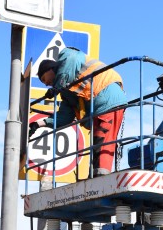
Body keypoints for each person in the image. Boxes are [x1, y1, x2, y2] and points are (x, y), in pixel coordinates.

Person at [32, 47, 126, 176]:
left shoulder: (67, 55)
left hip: (108, 98)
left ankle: (100, 178)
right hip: (98, 108)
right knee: (96, 145)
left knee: (102, 141)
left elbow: (70, 61)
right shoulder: (67, 91)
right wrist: (39, 124)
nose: (46, 84)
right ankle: (94, 176)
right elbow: (63, 118)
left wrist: (58, 86)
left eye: (43, 78)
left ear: (50, 69)